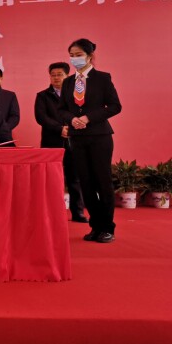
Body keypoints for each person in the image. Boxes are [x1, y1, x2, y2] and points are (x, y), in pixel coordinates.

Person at [58, 38, 122, 244]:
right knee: (85, 182)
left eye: (78, 55)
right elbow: (61, 109)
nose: (74, 59)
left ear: (90, 56)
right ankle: (95, 226)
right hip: (77, 138)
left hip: (100, 137)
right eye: (72, 55)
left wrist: (88, 118)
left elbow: (115, 106)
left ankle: (107, 227)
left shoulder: (103, 78)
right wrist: (71, 119)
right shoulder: (68, 82)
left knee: (103, 181)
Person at [35, 63, 87, 223]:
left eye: (60, 74)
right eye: (53, 75)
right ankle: (51, 213)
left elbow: (83, 114)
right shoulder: (42, 96)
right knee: (51, 179)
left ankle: (78, 212)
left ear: (67, 76)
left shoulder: (77, 95)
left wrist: (71, 127)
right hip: (51, 141)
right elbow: (41, 117)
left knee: (75, 178)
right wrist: (59, 129)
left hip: (74, 140)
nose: (56, 78)